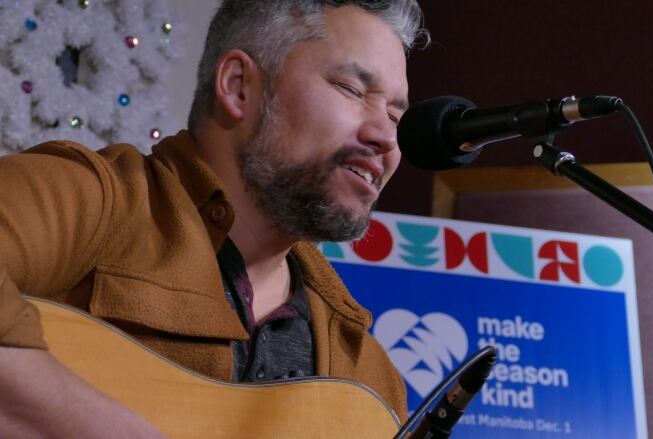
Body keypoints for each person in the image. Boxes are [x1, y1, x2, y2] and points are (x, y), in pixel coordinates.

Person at [0, 0, 428, 436]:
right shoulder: (90, 199)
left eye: (395, 116)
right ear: (238, 85)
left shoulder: (367, 376)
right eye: (352, 89)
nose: (386, 139)